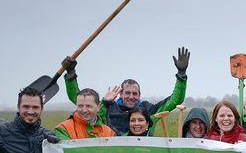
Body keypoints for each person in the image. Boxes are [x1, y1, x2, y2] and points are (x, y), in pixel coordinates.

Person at [62, 47, 190, 134]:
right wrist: (71, 74)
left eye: (135, 93)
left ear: (140, 95)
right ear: (120, 94)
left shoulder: (148, 110)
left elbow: (175, 100)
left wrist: (181, 75)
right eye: (127, 93)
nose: (131, 97)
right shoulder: (107, 108)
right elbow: (79, 100)